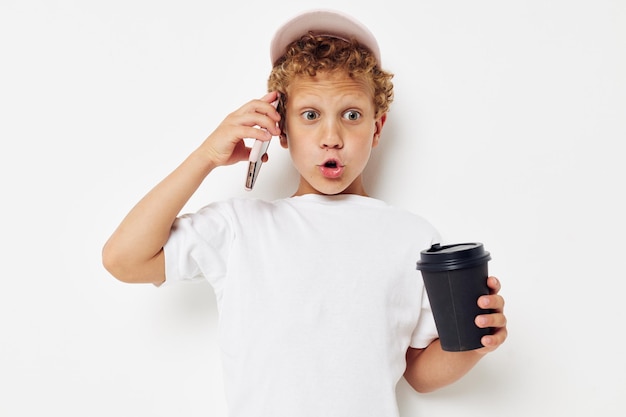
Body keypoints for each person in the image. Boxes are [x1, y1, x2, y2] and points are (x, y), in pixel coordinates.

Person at [102, 8, 507, 417]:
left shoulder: (412, 237)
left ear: (377, 127)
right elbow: (124, 259)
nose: (331, 138)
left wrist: (478, 341)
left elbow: (419, 371)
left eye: (352, 115)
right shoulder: (241, 228)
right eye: (310, 116)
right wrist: (207, 155)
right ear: (281, 129)